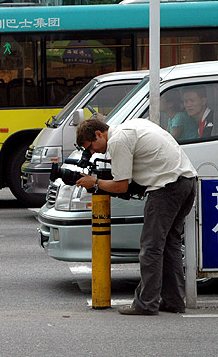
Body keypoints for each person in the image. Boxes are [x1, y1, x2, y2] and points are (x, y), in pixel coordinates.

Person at [75, 118, 197, 315]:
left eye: (91, 146)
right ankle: (174, 301)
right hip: (187, 182)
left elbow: (120, 185)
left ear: (99, 134)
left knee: (151, 247)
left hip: (166, 187)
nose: (93, 152)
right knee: (170, 244)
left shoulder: (117, 140)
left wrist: (94, 182)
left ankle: (146, 303)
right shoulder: (133, 126)